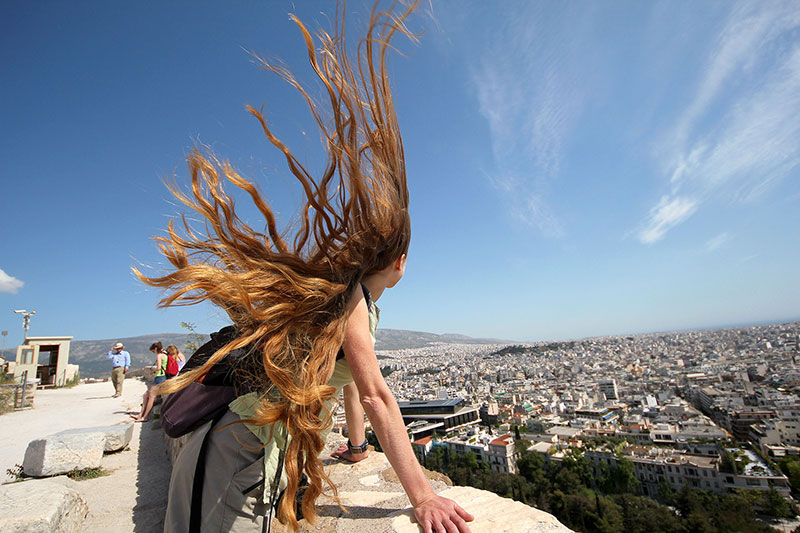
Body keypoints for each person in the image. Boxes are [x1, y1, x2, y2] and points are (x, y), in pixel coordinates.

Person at [136, 4, 474, 533]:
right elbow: (374, 394)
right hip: (231, 446)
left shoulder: (344, 303)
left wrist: (357, 448)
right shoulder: (351, 300)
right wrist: (424, 495)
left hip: (248, 445)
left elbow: (337, 383)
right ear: (401, 261)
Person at [132, 342, 167, 422]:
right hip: (160, 377)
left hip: (159, 377)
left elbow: (158, 368)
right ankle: (141, 415)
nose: (153, 352)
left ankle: (145, 416)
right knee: (146, 395)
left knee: (151, 397)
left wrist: (152, 370)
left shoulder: (159, 356)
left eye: (153, 351)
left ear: (155, 349)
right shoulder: (165, 355)